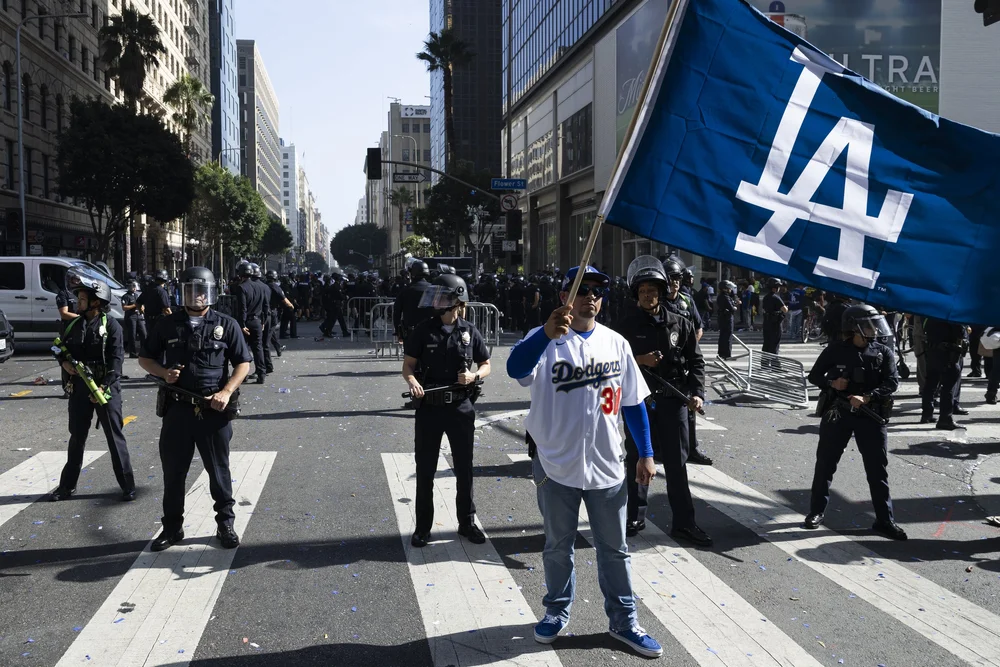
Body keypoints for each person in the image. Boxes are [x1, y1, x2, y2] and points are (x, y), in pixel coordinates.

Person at [505, 265, 663, 658]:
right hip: (556, 465)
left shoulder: (616, 343)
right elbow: (514, 369)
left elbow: (634, 402)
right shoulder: (544, 341)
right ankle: (556, 612)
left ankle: (624, 621)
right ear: (565, 297)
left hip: (607, 466)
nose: (591, 296)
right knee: (558, 546)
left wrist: (646, 453)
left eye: (598, 290)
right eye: (582, 289)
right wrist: (544, 333)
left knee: (615, 548)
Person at [139, 266, 252, 552]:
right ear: (182, 292)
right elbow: (145, 358)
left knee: (219, 470)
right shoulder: (167, 324)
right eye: (191, 290)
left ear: (211, 293)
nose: (197, 296)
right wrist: (164, 373)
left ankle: (225, 523)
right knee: (174, 472)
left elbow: (243, 363)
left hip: (213, 409)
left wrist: (227, 391)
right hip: (178, 409)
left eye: (202, 290)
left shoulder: (226, 324)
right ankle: (172, 527)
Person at [617, 257, 712, 546]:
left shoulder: (680, 324)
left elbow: (696, 362)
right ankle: (634, 516)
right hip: (639, 405)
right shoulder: (624, 326)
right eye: (643, 290)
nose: (649, 295)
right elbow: (611, 363)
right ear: (637, 294)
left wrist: (697, 392)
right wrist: (639, 360)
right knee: (636, 459)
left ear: (660, 292)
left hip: (674, 404)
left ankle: (684, 523)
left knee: (676, 464)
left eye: (653, 290)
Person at [401, 273, 491, 548]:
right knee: (425, 469)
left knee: (464, 468)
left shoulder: (469, 332)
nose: (437, 301)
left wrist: (475, 376)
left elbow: (486, 363)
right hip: (429, 408)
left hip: (461, 408)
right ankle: (423, 528)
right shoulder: (423, 329)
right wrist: (413, 382)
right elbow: (408, 365)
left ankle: (467, 523)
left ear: (457, 301)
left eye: (443, 297)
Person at [805, 305, 906, 540]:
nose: (874, 329)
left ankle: (884, 520)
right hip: (839, 413)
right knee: (825, 464)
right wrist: (832, 383)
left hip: (870, 416)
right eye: (868, 324)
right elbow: (814, 375)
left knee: (877, 469)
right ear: (854, 327)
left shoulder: (883, 351)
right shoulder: (836, 350)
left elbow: (892, 382)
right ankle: (816, 512)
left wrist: (868, 397)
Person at [50, 268, 135, 502]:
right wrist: (64, 362)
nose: (77, 301)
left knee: (114, 437)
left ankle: (128, 485)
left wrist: (102, 388)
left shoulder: (112, 327)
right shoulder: (73, 325)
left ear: (96, 302)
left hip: (105, 390)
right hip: (79, 388)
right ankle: (67, 486)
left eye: (82, 298)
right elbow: (57, 347)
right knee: (77, 437)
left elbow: (117, 363)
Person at [661, 257, 712, 466]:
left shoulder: (687, 300)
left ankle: (692, 448)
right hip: (665, 363)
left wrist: (687, 345)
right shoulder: (658, 302)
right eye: (671, 278)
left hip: (685, 360)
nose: (675, 282)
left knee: (691, 405)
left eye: (678, 278)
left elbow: (698, 327)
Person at [921, 317, 969, 430]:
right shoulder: (952, 315)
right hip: (947, 353)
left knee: (930, 383)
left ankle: (927, 414)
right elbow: (960, 332)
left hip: (933, 352)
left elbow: (925, 328)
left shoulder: (930, 314)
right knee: (948, 387)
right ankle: (945, 419)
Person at [232, 262, 268, 384]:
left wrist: (242, 324)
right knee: (258, 348)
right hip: (257, 321)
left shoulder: (241, 287)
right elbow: (265, 306)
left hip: (246, 322)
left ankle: (244, 374)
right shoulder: (260, 287)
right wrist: (263, 321)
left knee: (243, 350)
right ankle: (261, 373)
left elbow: (242, 308)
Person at [393, 260, 435, 343]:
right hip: (431, 331)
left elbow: (397, 312)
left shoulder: (405, 290)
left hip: (411, 332)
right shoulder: (433, 289)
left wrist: (398, 332)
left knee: (410, 355)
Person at [264, 270, 289, 358]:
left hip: (264, 312)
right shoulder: (275, 287)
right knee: (269, 331)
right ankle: (266, 349)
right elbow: (283, 298)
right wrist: (291, 305)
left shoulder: (264, 286)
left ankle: (278, 348)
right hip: (272, 312)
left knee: (271, 331)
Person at [761, 278, 787, 357]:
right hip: (775, 324)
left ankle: (764, 364)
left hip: (766, 323)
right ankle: (775, 366)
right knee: (774, 344)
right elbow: (785, 310)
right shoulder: (776, 297)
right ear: (775, 287)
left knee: (766, 344)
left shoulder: (765, 297)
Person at [716, 280, 739, 360]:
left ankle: (721, 353)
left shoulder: (720, 296)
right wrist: (736, 306)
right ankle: (727, 354)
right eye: (729, 288)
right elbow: (732, 308)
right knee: (728, 336)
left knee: (722, 336)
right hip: (727, 318)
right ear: (725, 289)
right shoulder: (725, 297)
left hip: (722, 318)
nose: (730, 290)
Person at [321, 273, 349, 337]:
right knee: (333, 319)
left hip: (335, 304)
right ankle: (328, 332)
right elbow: (339, 295)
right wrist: (345, 297)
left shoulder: (334, 285)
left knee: (340, 319)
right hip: (335, 304)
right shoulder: (335, 286)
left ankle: (344, 331)